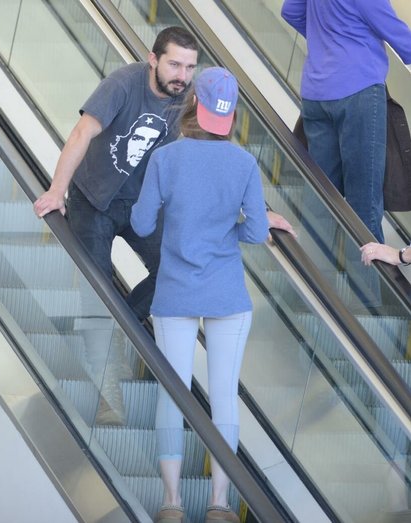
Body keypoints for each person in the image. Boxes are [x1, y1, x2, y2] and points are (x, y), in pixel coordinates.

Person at [33, 26, 199, 425]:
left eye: (190, 67)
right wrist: (57, 190)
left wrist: (254, 208)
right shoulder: (123, 84)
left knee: (177, 268)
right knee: (97, 291)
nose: (182, 75)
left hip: (141, 204)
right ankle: (108, 396)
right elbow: (82, 133)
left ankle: (118, 329)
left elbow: (212, 150)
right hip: (94, 200)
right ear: (153, 59)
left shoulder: (188, 98)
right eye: (174, 64)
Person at [131, 67, 272, 523]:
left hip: (175, 293)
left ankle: (171, 502)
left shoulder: (166, 159)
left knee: (172, 396)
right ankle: (220, 504)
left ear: (194, 103)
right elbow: (257, 231)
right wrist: (227, 228)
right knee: (224, 397)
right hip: (227, 294)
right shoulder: (244, 164)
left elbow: (141, 225)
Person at [281, 0, 411, 244]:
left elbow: (291, 11)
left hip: (316, 93)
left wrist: (326, 44)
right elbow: (400, 37)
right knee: (364, 202)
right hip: (358, 91)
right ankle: (368, 270)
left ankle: (315, 265)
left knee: (321, 197)